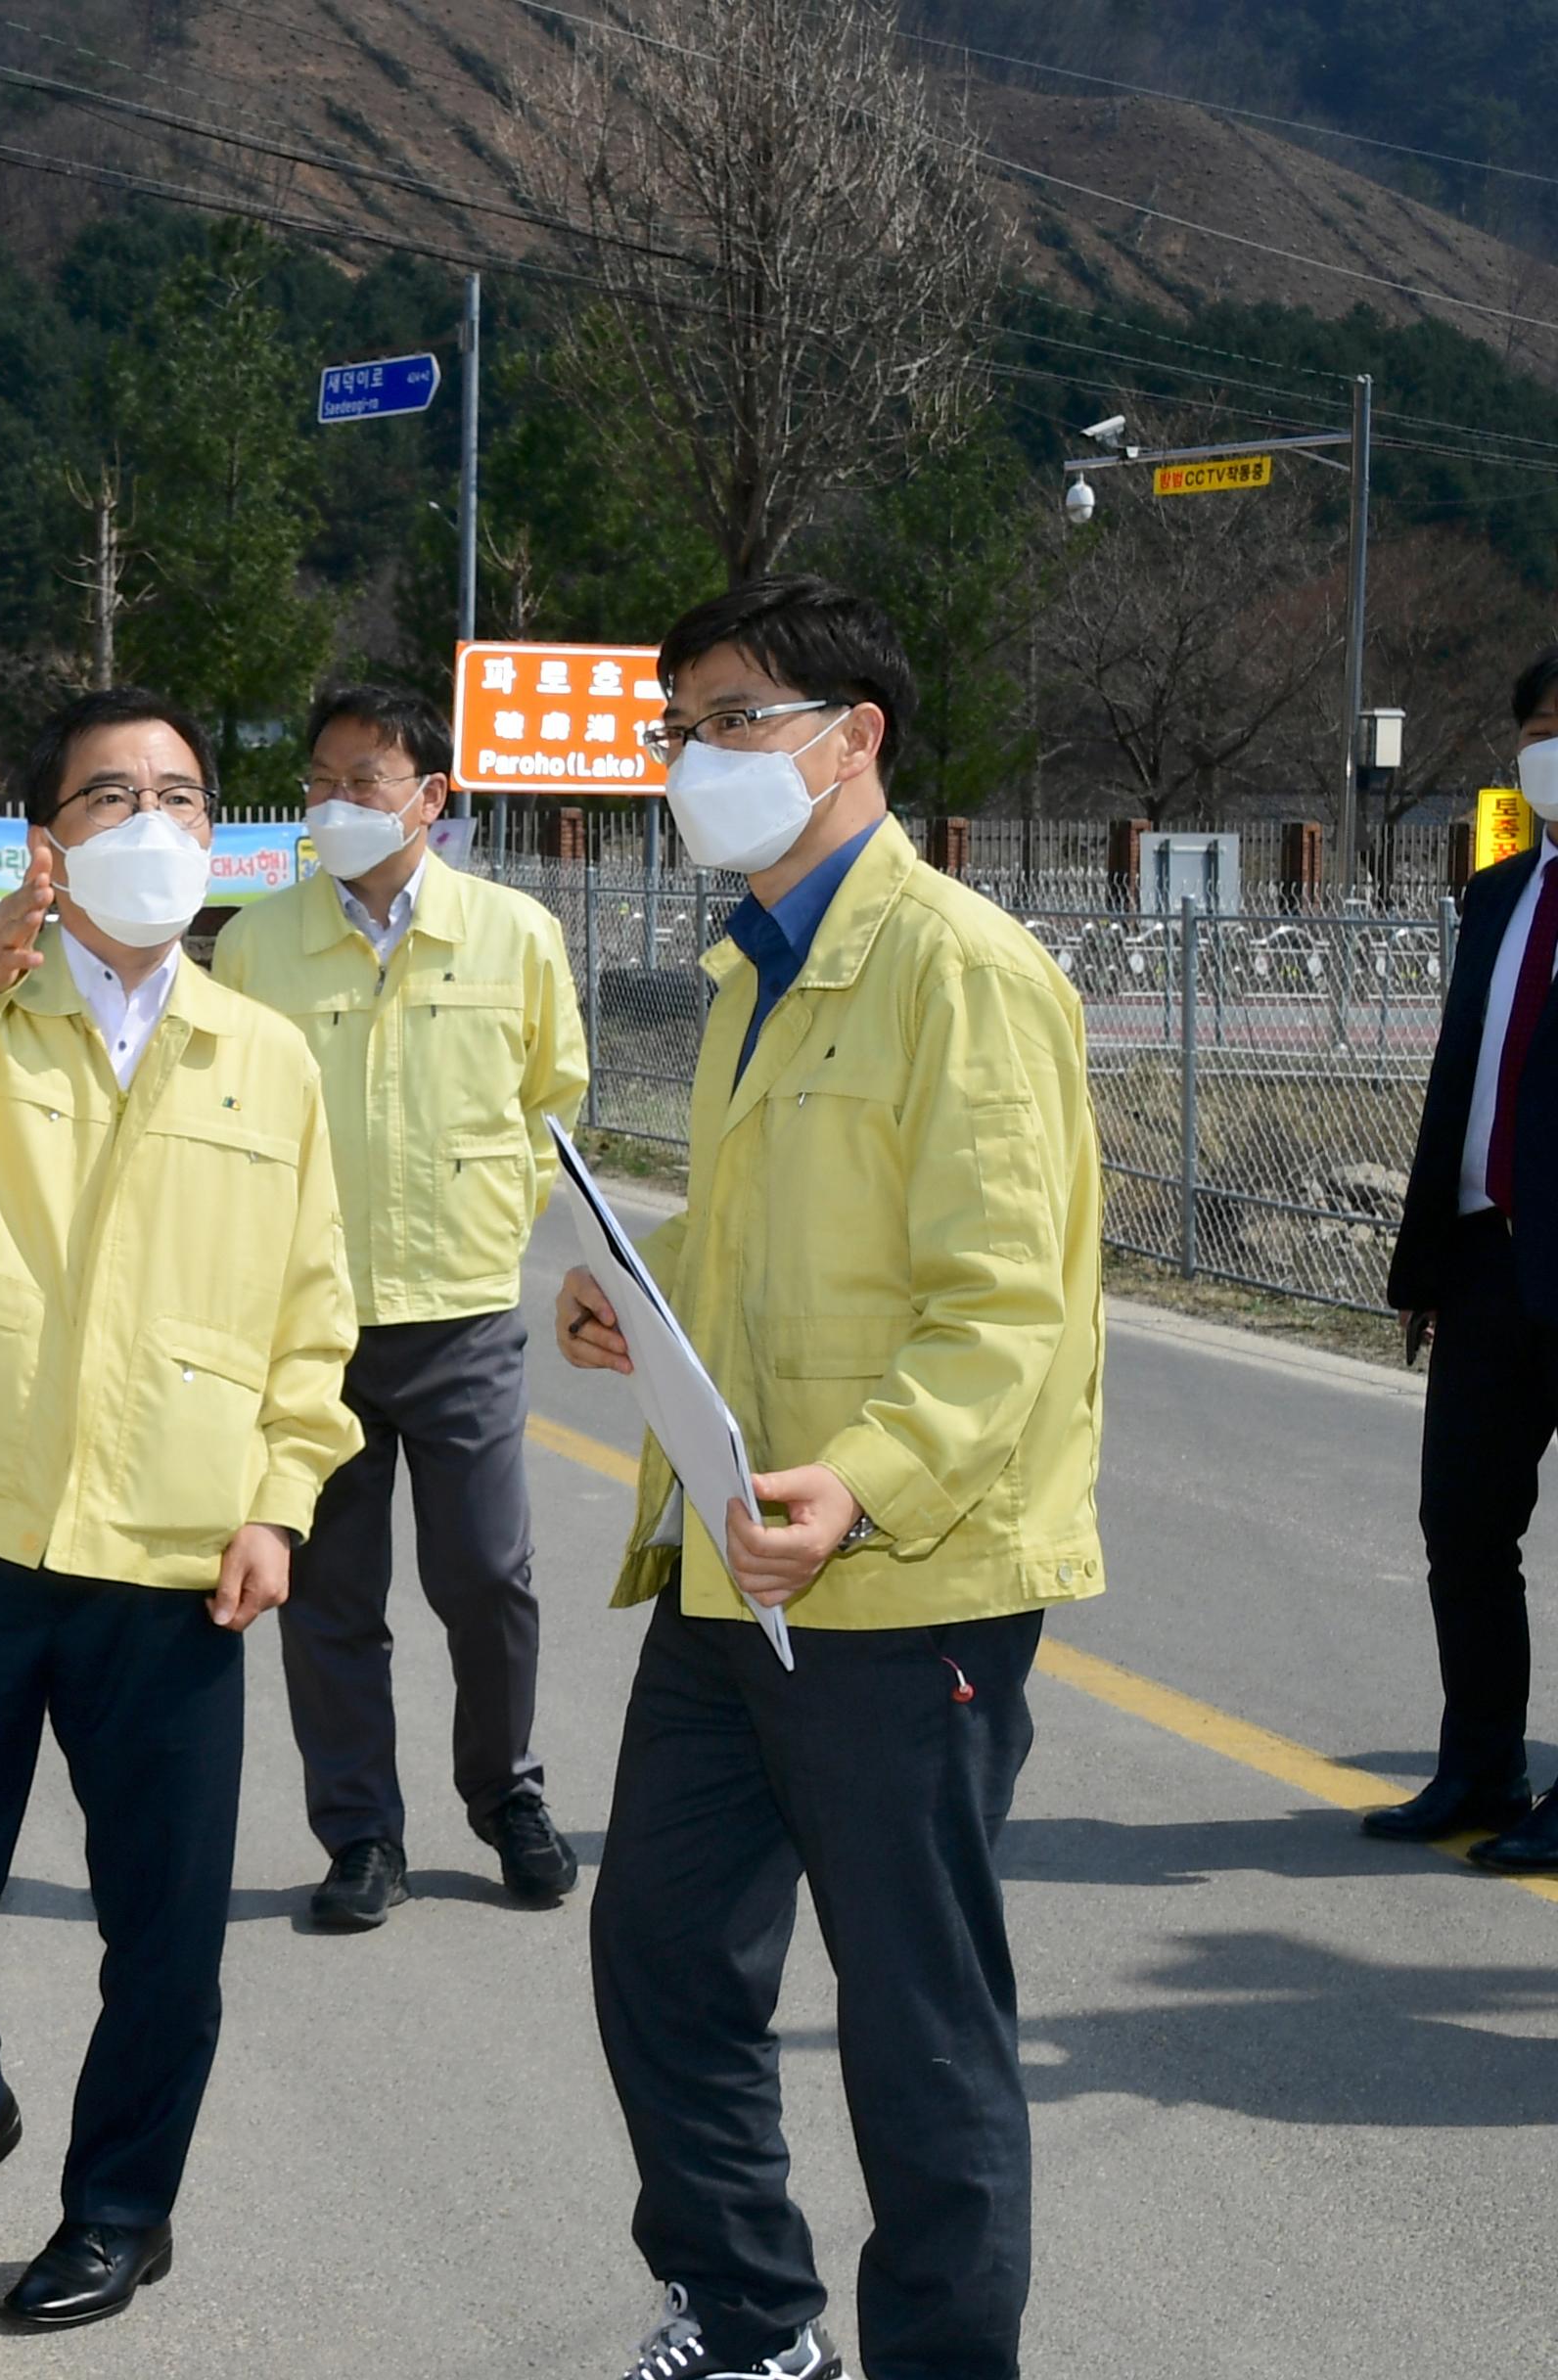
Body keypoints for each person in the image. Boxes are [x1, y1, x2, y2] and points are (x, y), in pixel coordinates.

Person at [555, 578, 1101, 2380]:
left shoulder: (962, 968)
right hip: (731, 1566)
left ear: (851, 734)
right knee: (658, 1958)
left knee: (916, 2024)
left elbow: (1000, 1306)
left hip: (896, 1581)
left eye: (729, 718)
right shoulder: (751, 969)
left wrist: (856, 1484)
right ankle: (741, 2313)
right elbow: (787, 1234)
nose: (688, 758)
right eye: (675, 727)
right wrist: (637, 1298)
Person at [0, 687, 360, 2330]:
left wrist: (278, 1501)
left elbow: (308, 1310)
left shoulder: (260, 1055)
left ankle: (119, 2206)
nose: (149, 822)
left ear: (216, 836)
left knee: (163, 1927)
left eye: (178, 795)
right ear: (44, 841)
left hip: (172, 1550)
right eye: (107, 795)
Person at [215, 685, 590, 1929]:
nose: (333, 801)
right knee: (330, 1595)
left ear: (432, 797)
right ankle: (362, 1831)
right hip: (310, 1321)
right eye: (319, 778)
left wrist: (493, 1216)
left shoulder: (514, 933)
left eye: (363, 779)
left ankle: (505, 1790)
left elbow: (553, 1099)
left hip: (463, 1311)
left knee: (488, 1573)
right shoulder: (260, 943)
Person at [1381, 644, 1558, 1870]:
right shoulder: (1500, 891)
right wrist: (1429, 1260)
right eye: (1539, 722)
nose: (1552, 743)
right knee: (1464, 1523)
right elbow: (1463, 1083)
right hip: (1491, 1257)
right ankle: (1481, 1764)